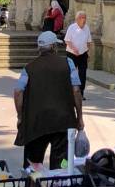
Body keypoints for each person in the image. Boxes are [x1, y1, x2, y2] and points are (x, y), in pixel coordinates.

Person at [13, 29, 84, 168]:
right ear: (53, 47)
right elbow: (76, 91)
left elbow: (18, 92)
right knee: (62, 164)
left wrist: (20, 116)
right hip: (63, 122)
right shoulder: (68, 64)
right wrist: (79, 117)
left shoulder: (28, 68)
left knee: (32, 164)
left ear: (39, 49)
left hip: (36, 122)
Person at [64, 10, 92, 97]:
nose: (84, 20)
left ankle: (81, 93)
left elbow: (89, 42)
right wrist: (74, 49)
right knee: (71, 73)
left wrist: (88, 52)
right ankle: (69, 92)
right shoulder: (72, 27)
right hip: (72, 54)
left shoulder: (87, 28)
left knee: (82, 73)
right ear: (77, 19)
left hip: (83, 54)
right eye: (82, 18)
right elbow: (67, 40)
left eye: (85, 18)